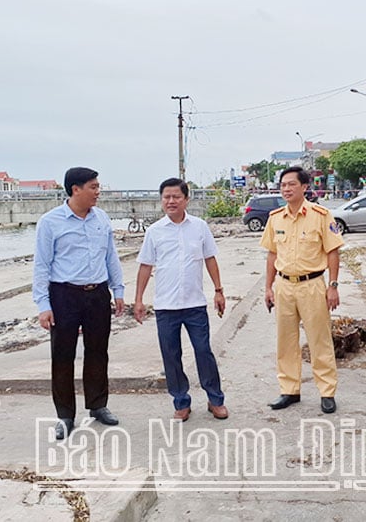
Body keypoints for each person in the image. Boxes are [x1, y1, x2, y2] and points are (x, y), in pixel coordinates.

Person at [33, 167, 125, 440]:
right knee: (62, 356)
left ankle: (98, 405)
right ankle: (65, 415)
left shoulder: (102, 219)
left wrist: (118, 290)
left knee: (98, 351)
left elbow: (111, 256)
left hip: (97, 294)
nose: (98, 192)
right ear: (76, 189)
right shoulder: (50, 222)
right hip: (64, 295)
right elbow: (42, 265)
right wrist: (43, 305)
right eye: (93, 187)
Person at [133, 178, 228, 421]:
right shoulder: (154, 232)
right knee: (171, 355)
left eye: (176, 196)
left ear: (186, 199)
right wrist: (139, 300)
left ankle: (215, 399)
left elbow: (210, 259)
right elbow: (145, 266)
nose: (171, 201)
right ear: (161, 200)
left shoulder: (199, 227)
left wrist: (218, 290)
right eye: (166, 197)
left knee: (203, 351)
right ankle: (181, 401)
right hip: (166, 307)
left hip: (195, 305)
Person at [261, 166, 344, 414]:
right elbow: (271, 254)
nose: (286, 189)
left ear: (304, 187)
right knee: (285, 341)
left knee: (319, 340)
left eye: (291, 184)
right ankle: (289, 390)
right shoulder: (276, 218)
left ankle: (327, 391)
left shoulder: (321, 215)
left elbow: (333, 252)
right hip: (285, 286)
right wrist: (268, 287)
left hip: (313, 285)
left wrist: (333, 286)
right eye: (283, 185)